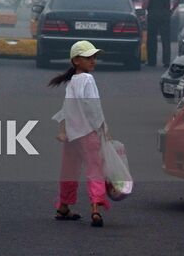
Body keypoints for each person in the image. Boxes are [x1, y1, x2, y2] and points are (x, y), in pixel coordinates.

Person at [49, 40, 110, 228]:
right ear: (76, 60)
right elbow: (92, 106)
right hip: (88, 133)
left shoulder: (73, 81)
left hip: (71, 135)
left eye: (94, 57)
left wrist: (62, 129)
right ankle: (95, 209)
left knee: (69, 171)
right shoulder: (88, 79)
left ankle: (64, 207)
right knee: (95, 169)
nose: (93, 61)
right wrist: (103, 127)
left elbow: (67, 108)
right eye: (88, 58)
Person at [141, 0, 182, 67]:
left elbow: (146, 1)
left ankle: (152, 61)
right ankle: (166, 61)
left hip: (153, 14)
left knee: (152, 38)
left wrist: (144, 8)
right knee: (166, 39)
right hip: (165, 14)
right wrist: (172, 9)